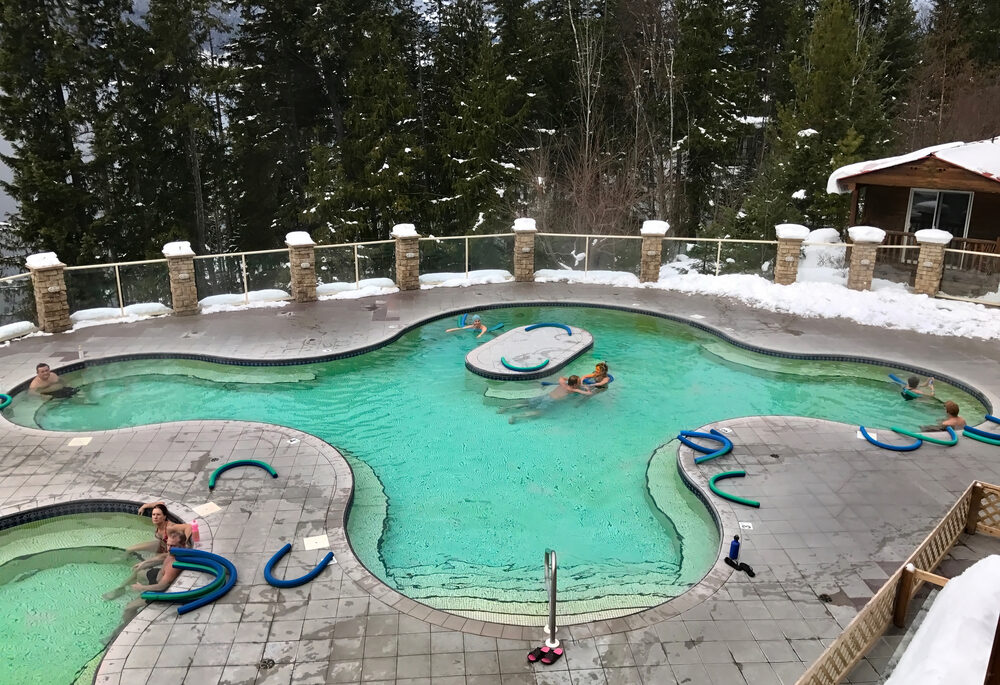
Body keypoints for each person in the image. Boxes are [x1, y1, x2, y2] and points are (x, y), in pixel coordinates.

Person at [105, 528, 186, 601]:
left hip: (158, 590)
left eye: (173, 546)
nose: (169, 548)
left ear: (183, 545)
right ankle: (121, 589)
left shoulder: (174, 565)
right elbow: (164, 556)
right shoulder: (175, 551)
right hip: (158, 575)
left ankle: (134, 595)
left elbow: (162, 586)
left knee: (129, 609)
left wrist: (142, 588)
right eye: (168, 545)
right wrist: (145, 562)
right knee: (139, 570)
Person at [500, 375, 592, 423]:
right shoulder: (573, 389)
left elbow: (561, 378)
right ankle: (516, 416)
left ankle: (507, 408)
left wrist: (569, 379)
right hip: (550, 400)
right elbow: (588, 393)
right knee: (538, 413)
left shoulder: (563, 383)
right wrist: (586, 388)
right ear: (575, 384)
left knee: (526, 404)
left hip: (545, 395)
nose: (580, 383)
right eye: (579, 382)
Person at [127, 502, 192, 559]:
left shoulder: (169, 527)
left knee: (146, 563)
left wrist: (187, 544)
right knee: (130, 549)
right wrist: (145, 506)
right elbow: (161, 503)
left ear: (164, 517)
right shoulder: (159, 525)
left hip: (170, 552)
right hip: (161, 546)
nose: (155, 517)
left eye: (158, 515)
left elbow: (188, 527)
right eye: (153, 514)